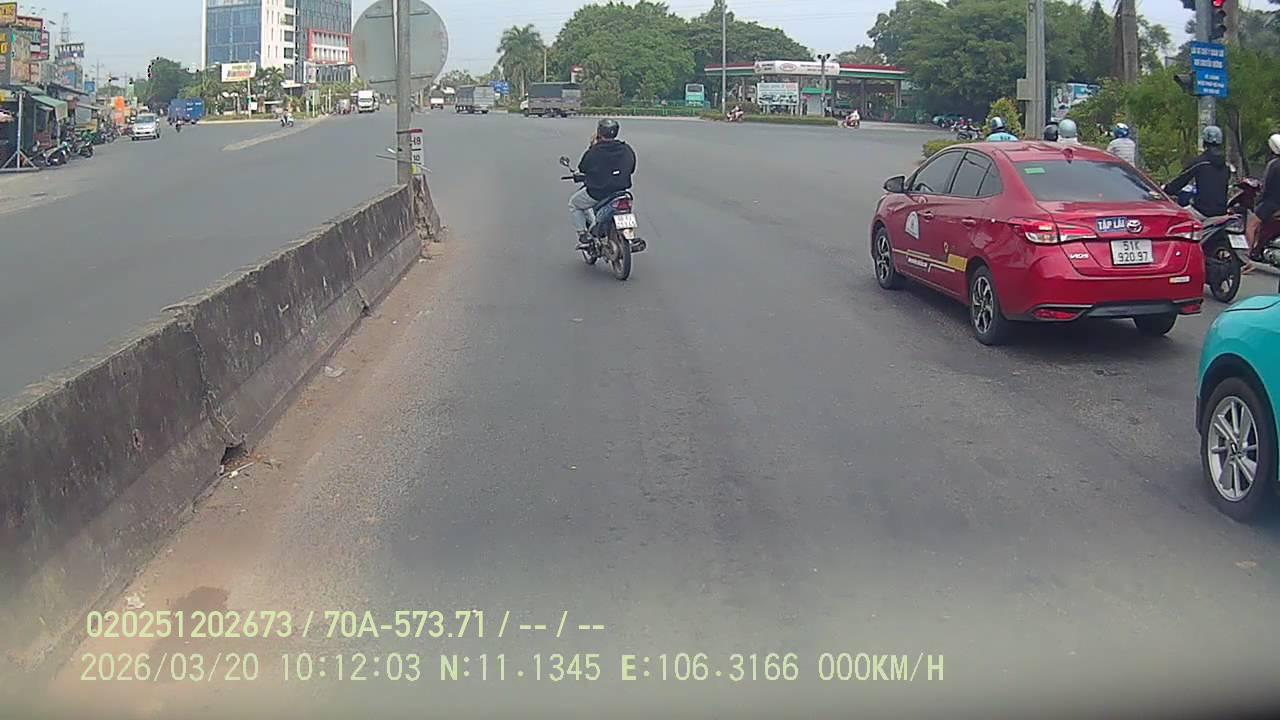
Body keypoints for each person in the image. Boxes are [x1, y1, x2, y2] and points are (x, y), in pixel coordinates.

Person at [569, 118, 637, 250]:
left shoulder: (594, 151)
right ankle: (629, 237)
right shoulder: (627, 149)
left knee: (574, 204)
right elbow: (632, 168)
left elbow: (583, 168)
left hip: (598, 193)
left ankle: (583, 235)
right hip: (621, 191)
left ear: (600, 132)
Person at [1163, 126, 1232, 220]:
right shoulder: (1226, 166)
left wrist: (1167, 190)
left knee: (1175, 219)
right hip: (1222, 213)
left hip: (1201, 212)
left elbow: (1181, 180)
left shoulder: (1199, 162)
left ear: (1204, 141)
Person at [1248, 134, 1280, 259]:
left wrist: (1258, 200)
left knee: (1251, 224)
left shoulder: (1273, 165)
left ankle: (1248, 254)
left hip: (1271, 203)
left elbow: (1265, 187)